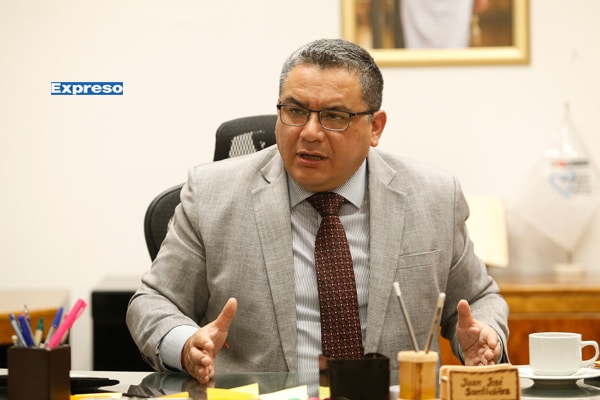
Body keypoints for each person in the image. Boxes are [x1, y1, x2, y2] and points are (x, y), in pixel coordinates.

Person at [126, 38, 509, 387]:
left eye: (334, 116)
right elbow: (153, 301)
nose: (309, 132)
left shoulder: (434, 196)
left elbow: (478, 298)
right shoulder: (212, 194)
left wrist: (484, 337)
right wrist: (185, 345)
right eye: (295, 111)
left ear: (375, 127)